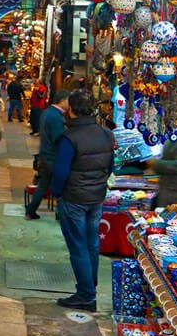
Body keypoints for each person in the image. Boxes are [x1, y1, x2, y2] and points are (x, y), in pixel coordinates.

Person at [50, 89, 115, 312]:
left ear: (72, 110)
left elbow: (60, 172)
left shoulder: (69, 138)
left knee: (78, 246)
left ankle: (86, 294)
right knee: (91, 244)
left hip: (74, 198)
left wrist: (57, 193)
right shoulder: (106, 134)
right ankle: (90, 286)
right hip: (95, 197)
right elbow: (110, 167)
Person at [26, 90, 68, 220]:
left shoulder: (47, 112)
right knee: (61, 186)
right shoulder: (56, 117)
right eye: (68, 101)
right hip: (53, 157)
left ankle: (31, 210)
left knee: (43, 185)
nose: (69, 104)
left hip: (45, 155)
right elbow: (58, 138)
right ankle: (59, 213)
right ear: (62, 100)